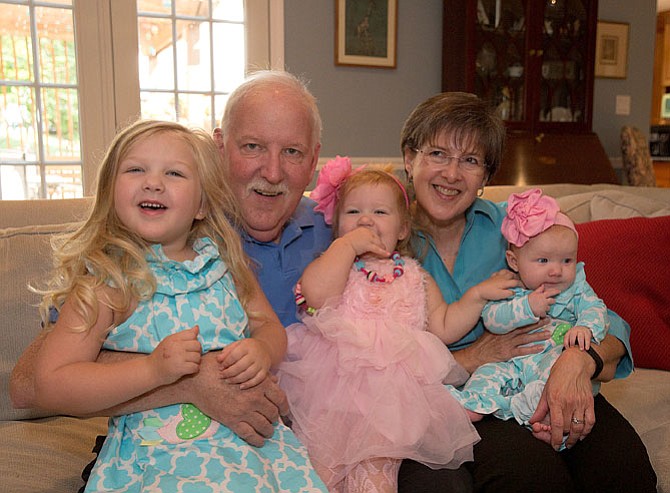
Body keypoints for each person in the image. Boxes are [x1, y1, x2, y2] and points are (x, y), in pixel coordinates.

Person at [30, 119, 328, 492]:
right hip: (161, 459)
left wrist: (262, 350)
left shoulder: (225, 265)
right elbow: (51, 383)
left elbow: (268, 326)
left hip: (254, 452)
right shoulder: (108, 282)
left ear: (202, 203)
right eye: (136, 169)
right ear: (110, 190)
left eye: (174, 173)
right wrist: (152, 371)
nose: (153, 182)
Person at [400, 91, 657, 492]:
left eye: (470, 160)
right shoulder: (385, 243)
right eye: (437, 153)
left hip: (554, 366)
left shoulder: (521, 229)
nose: (452, 174)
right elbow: (375, 366)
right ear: (408, 158)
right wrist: (472, 356)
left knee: (626, 472)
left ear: (486, 177)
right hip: (477, 403)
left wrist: (578, 361)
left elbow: (611, 324)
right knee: (530, 478)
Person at [277, 158, 520, 492]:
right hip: (334, 399)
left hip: (390, 408)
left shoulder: (415, 275)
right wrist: (346, 247)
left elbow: (445, 325)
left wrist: (476, 296)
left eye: (380, 212)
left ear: (403, 228)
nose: (365, 220)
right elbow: (315, 297)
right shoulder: (337, 267)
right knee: (318, 475)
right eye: (353, 213)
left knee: (376, 478)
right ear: (336, 227)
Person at [448, 188, 608, 447]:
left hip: (553, 357)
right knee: (488, 372)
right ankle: (474, 403)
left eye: (567, 260)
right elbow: (492, 318)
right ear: (514, 261)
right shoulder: (509, 285)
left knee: (554, 379)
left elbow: (596, 308)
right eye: (543, 260)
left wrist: (586, 327)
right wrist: (526, 308)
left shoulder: (576, 287)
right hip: (512, 361)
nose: (556, 270)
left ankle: (540, 413)